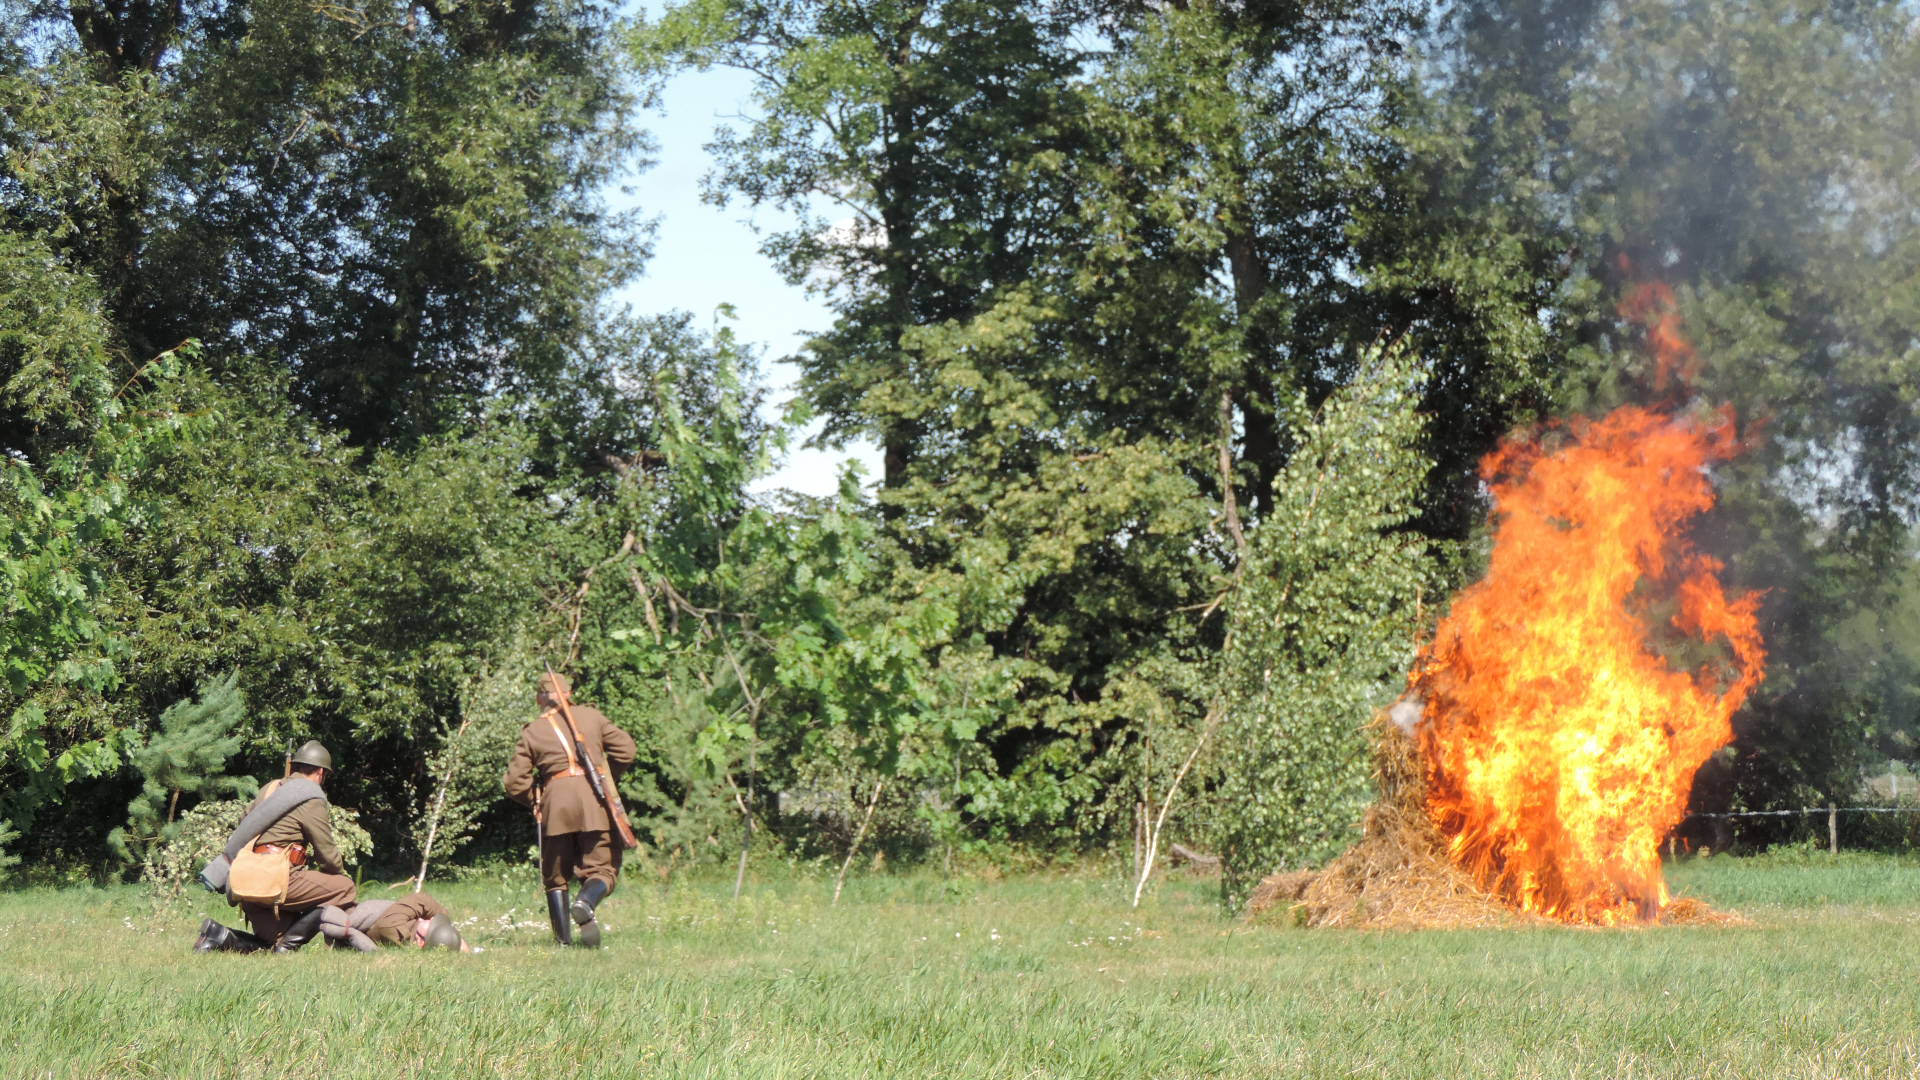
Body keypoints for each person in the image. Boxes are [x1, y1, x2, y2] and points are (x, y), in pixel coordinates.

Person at [502, 671, 636, 947]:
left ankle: (563, 942)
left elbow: (515, 783)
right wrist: (606, 778)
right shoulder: (591, 716)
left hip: (556, 807)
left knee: (555, 877)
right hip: (594, 803)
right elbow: (626, 750)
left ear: (541, 698)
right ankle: (585, 902)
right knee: (603, 869)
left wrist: (536, 801)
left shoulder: (533, 731)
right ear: (569, 694)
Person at [193, 739, 357, 953]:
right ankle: (288, 947)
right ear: (320, 772)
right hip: (275, 880)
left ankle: (217, 935)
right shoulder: (310, 797)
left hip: (244, 880)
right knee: (345, 889)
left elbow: (245, 822)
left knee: (271, 943)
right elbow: (326, 854)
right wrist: (337, 876)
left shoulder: (269, 789)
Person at [317, 893, 468, 952]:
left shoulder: (396, 930)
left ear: (422, 941)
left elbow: (422, 900)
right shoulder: (408, 933)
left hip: (360, 916)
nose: (431, 919)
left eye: (432, 925)